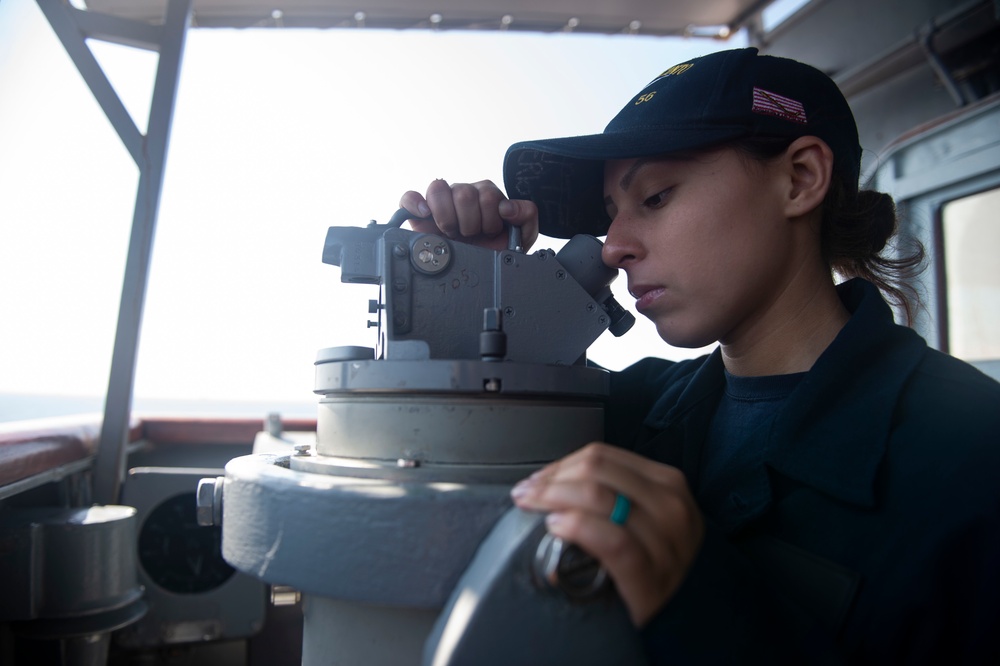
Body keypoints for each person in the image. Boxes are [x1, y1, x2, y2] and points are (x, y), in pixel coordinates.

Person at [400, 47, 1000, 664]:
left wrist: (704, 606)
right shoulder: (631, 411)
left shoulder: (975, 459)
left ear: (799, 179)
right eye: (610, 216)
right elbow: (446, 445)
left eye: (655, 197)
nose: (613, 249)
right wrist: (467, 292)